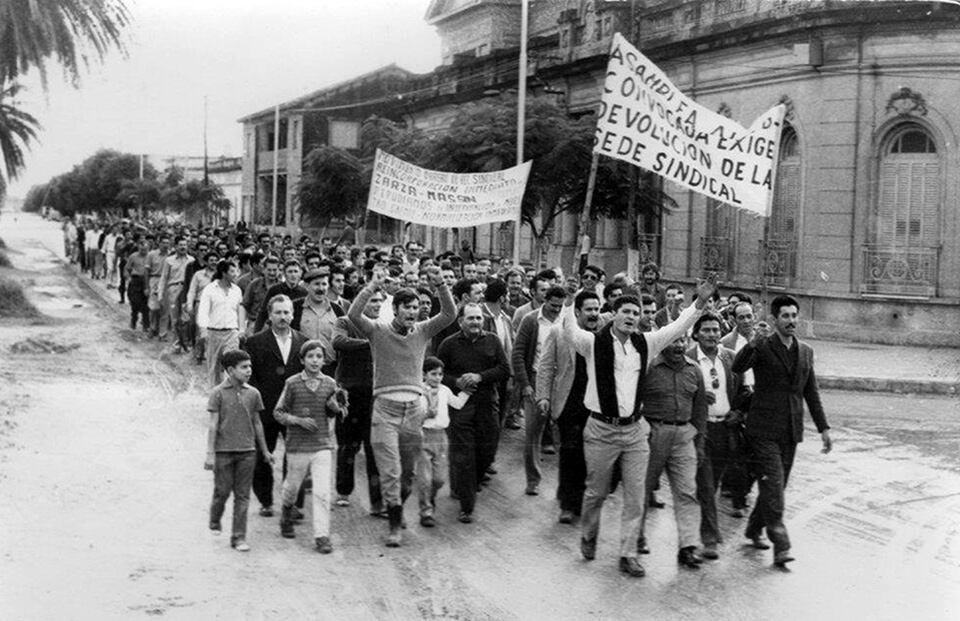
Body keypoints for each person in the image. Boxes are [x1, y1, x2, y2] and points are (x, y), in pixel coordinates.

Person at [561, 276, 715, 578]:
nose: (632, 317)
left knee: (635, 495)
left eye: (636, 313)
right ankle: (589, 534)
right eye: (626, 312)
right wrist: (568, 302)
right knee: (596, 492)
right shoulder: (593, 343)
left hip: (634, 432)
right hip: (601, 429)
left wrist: (699, 302)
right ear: (614, 316)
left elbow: (677, 328)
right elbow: (570, 331)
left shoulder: (647, 343)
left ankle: (628, 554)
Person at [346, 268, 456, 547]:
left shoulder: (423, 331)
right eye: (407, 307)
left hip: (414, 411)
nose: (412, 312)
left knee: (407, 476)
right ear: (394, 308)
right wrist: (372, 286)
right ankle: (394, 526)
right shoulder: (378, 331)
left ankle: (396, 505)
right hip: (385, 410)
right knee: (391, 473)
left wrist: (440, 283)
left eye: (416, 307)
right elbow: (354, 316)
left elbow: (449, 314)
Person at [732, 294, 832, 567]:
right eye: (785, 316)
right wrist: (752, 343)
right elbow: (737, 367)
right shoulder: (763, 345)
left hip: (790, 431)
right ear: (774, 319)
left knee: (775, 486)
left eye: (794, 315)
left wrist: (823, 428)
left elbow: (811, 393)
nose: (791, 321)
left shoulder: (806, 351)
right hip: (763, 430)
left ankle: (754, 527)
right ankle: (781, 544)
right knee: (774, 486)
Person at [635, 334, 707, 570]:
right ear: (664, 342)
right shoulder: (649, 367)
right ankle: (636, 537)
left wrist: (699, 443)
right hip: (652, 433)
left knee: (687, 491)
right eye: (674, 341)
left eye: (682, 341)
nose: (679, 346)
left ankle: (688, 546)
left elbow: (700, 411)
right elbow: (633, 401)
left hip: (684, 435)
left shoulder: (694, 370)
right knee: (642, 489)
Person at [273, 340, 349, 554]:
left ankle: (322, 536)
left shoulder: (330, 383)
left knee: (322, 492)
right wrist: (298, 420)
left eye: (319, 356)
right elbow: (278, 412)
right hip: (298, 445)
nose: (315, 361)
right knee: (292, 487)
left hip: (322, 444)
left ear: (324, 360)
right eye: (310, 356)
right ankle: (286, 512)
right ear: (302, 360)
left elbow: (339, 411)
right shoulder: (292, 383)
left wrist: (337, 407)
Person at [437, 302, 510, 523]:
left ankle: (469, 483)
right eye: (471, 318)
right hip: (460, 407)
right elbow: (436, 374)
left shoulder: (492, 341)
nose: (475, 322)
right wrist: (456, 382)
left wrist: (480, 377)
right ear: (461, 321)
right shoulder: (449, 344)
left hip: (487, 404)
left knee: (487, 450)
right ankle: (466, 507)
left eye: (478, 318)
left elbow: (504, 369)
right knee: (465, 456)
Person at [688, 313, 750, 560]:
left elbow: (744, 391)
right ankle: (710, 539)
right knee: (706, 486)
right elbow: (679, 391)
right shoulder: (688, 358)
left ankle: (701, 527)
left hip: (726, 430)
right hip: (700, 431)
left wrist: (739, 413)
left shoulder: (730, 357)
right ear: (696, 334)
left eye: (715, 330)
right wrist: (698, 395)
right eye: (706, 330)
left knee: (712, 485)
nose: (712, 334)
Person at [536, 290, 600, 524]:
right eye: (589, 309)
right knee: (570, 453)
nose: (594, 314)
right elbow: (545, 366)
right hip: (569, 402)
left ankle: (580, 498)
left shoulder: (603, 335)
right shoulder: (558, 332)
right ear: (577, 311)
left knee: (590, 455)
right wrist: (543, 396)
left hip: (596, 405)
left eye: (597, 309)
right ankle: (568, 504)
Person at [243, 295, 309, 517]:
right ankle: (266, 501)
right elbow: (249, 377)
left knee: (296, 457)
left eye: (286, 312)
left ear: (293, 314)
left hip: (295, 411)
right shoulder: (254, 343)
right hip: (266, 410)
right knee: (262, 456)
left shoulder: (303, 342)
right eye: (278, 312)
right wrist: (256, 404)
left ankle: (292, 504)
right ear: (269, 315)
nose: (283, 317)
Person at [204, 349, 273, 552]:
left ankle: (239, 537)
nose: (249, 370)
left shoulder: (253, 393)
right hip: (223, 451)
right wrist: (210, 453)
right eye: (244, 367)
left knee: (243, 495)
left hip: (247, 451)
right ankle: (215, 518)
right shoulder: (217, 393)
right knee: (222, 491)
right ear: (230, 370)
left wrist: (265, 451)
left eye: (250, 366)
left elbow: (257, 423)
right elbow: (213, 424)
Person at [332, 291, 384, 514]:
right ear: (360, 303)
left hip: (375, 393)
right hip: (348, 393)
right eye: (373, 301)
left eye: (380, 301)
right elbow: (338, 342)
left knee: (375, 448)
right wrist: (371, 343)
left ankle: (378, 502)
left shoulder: (383, 326)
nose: (377, 305)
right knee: (347, 445)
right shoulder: (345, 321)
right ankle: (343, 491)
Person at [513, 285, 566, 496]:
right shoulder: (530, 320)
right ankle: (533, 480)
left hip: (561, 383)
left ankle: (565, 486)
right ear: (545, 300)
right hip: (535, 380)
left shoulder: (567, 320)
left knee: (563, 433)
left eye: (560, 306)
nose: (556, 310)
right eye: (553, 306)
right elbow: (517, 354)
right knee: (533, 433)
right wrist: (525, 384)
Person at [417, 356, 470, 527]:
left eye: (440, 374)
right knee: (425, 479)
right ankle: (426, 512)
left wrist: (467, 392)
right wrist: (426, 414)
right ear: (424, 374)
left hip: (441, 437)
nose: (437, 378)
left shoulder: (444, 390)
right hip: (424, 435)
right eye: (433, 374)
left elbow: (457, 404)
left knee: (439, 479)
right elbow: (414, 415)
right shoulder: (419, 391)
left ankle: (430, 497)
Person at [196, 259, 245, 387]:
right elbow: (203, 310)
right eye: (232, 271)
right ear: (224, 273)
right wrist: (203, 330)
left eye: (236, 271)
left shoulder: (237, 290)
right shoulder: (210, 289)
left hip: (231, 333)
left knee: (233, 364)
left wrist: (241, 329)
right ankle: (215, 393)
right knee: (214, 367)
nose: (235, 274)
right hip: (214, 333)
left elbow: (240, 311)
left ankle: (231, 391)